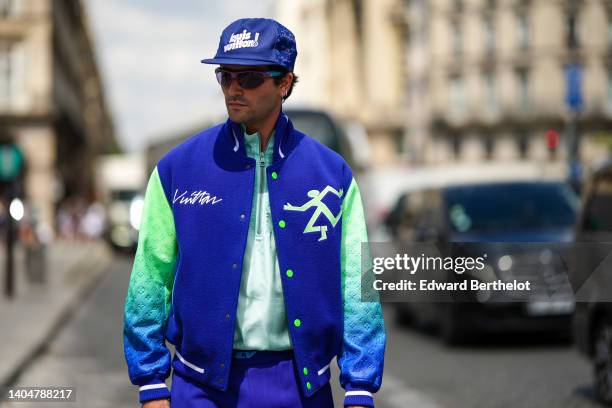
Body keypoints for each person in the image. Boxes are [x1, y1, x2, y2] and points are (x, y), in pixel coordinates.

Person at [123, 17, 385, 408]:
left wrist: (360, 387)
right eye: (225, 76)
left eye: (248, 78)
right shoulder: (177, 169)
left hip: (300, 386)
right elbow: (149, 279)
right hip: (199, 386)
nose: (233, 89)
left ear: (284, 83)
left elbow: (358, 284)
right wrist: (151, 384)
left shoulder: (333, 174)